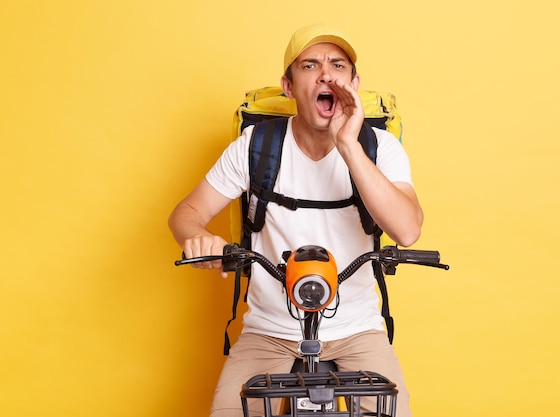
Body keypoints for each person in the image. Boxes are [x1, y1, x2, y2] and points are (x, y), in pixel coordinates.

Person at [168, 23, 423, 417]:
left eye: (338, 65)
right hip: (268, 332)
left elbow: (407, 230)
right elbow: (185, 213)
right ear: (288, 85)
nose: (326, 74)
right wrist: (198, 237)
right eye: (310, 65)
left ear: (353, 82)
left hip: (357, 329)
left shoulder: (379, 148)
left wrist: (349, 146)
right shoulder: (256, 146)